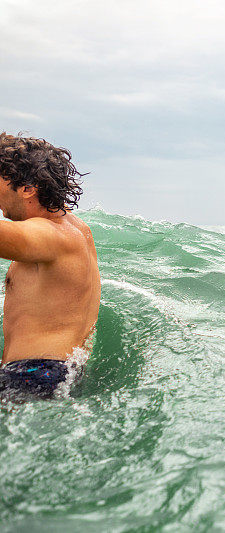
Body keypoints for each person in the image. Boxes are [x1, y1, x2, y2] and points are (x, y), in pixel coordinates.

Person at [0, 133, 100, 399]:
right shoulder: (76, 230)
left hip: (31, 375)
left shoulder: (50, 236)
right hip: (59, 374)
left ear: (27, 188)